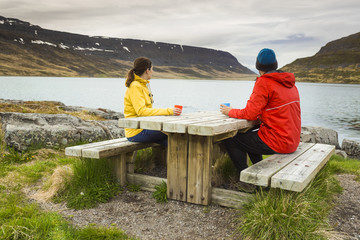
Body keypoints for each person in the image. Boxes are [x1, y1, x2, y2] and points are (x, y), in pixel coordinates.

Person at [220, 48, 301, 191]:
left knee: (232, 139)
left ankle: (247, 182)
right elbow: (274, 110)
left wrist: (230, 111)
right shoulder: (290, 83)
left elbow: (250, 114)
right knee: (250, 138)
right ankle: (258, 178)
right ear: (275, 64)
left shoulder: (264, 82)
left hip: (279, 142)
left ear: (258, 66)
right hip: (292, 140)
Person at [124, 57, 182, 147]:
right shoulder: (135, 86)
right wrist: (169, 111)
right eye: (152, 69)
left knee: (175, 142)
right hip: (136, 132)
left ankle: (169, 160)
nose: (153, 71)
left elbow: (146, 110)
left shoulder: (143, 85)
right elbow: (141, 111)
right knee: (175, 131)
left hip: (144, 127)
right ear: (147, 70)